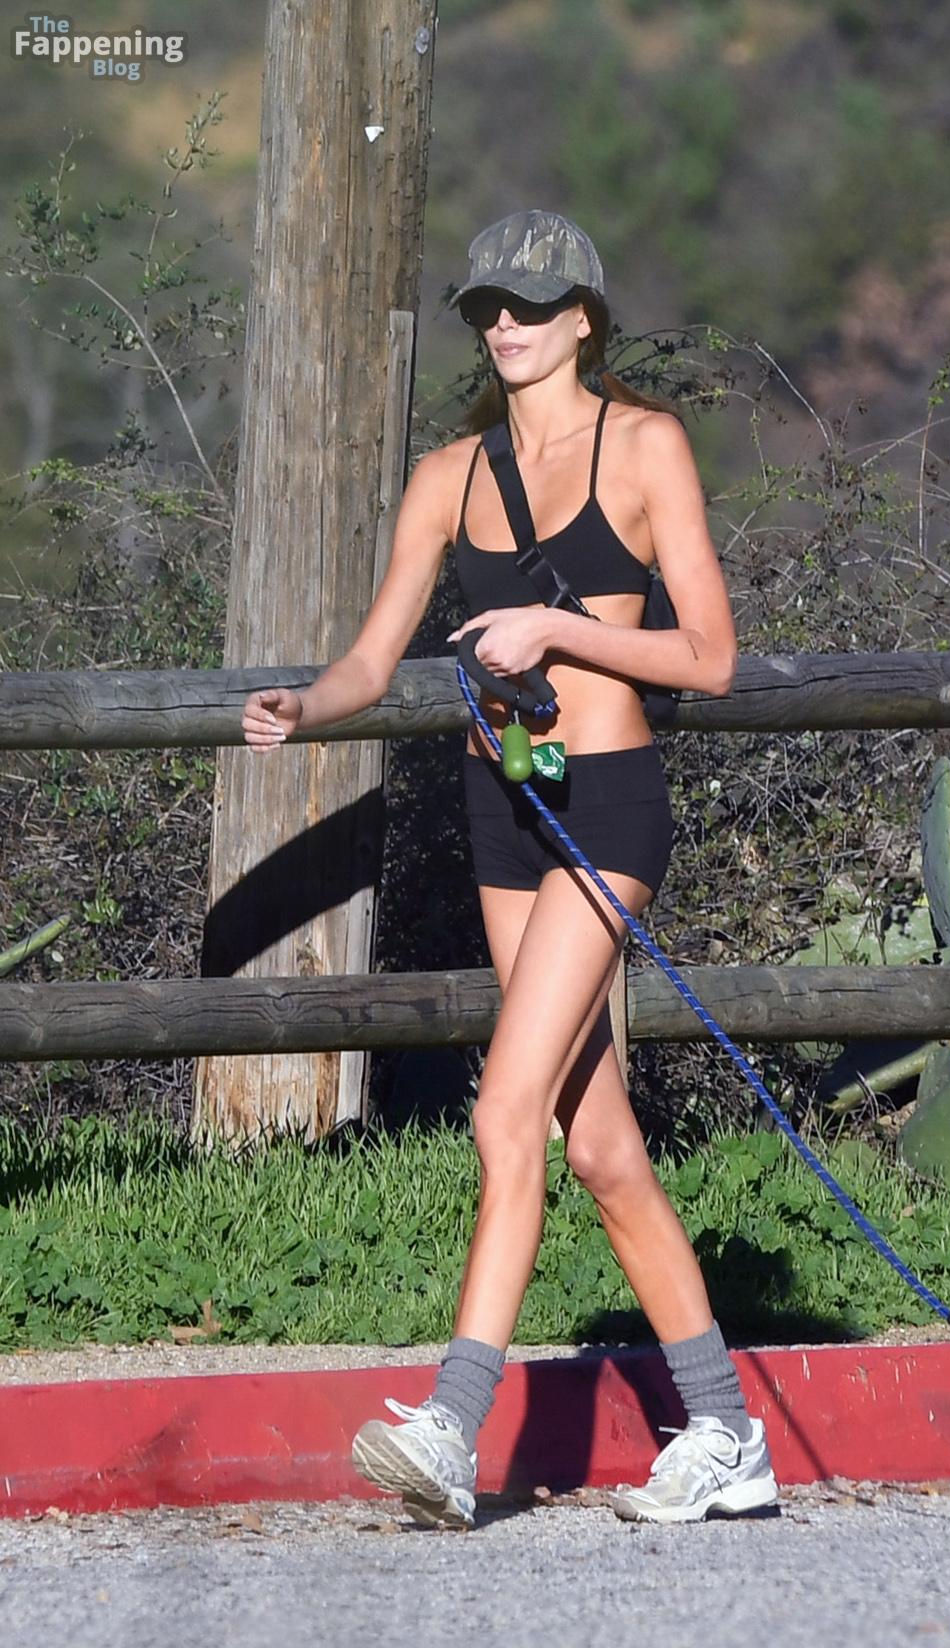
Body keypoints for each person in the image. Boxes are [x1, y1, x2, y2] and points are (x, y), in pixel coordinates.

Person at [240, 208, 777, 1529]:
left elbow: (710, 656)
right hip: (506, 810)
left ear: (584, 317)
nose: (506, 325)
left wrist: (555, 628)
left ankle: (452, 1423)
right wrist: (309, 705)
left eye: (531, 305)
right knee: (597, 1142)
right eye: (489, 305)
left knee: (504, 1112)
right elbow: (375, 659)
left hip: (608, 805)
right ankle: (725, 1431)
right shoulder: (449, 475)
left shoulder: (645, 447)